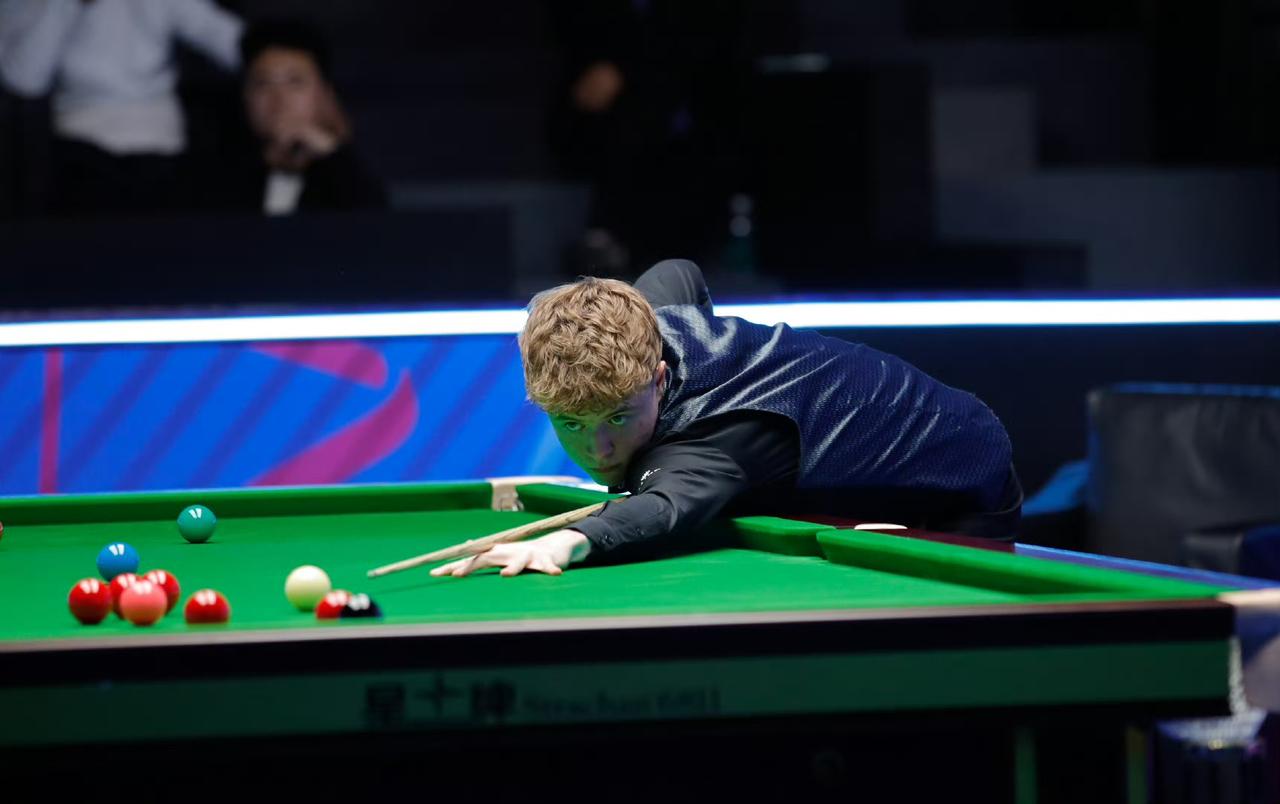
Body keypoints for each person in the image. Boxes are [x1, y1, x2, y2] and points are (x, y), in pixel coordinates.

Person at [433, 259, 1022, 578]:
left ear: (659, 378)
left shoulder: (714, 442)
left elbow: (664, 506)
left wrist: (571, 539)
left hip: (954, 481)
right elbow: (677, 271)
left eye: (617, 417)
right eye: (572, 424)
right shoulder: (648, 320)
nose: (600, 450)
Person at [0, 0, 242, 216]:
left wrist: (262, 70)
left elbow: (227, 38)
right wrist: (66, 5)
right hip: (78, 145)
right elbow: (25, 80)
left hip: (160, 144)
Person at [202, 19, 385, 215]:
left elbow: (377, 222)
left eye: (295, 82)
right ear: (245, 96)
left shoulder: (350, 176)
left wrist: (329, 151)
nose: (279, 99)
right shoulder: (207, 178)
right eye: (262, 83)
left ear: (325, 95)